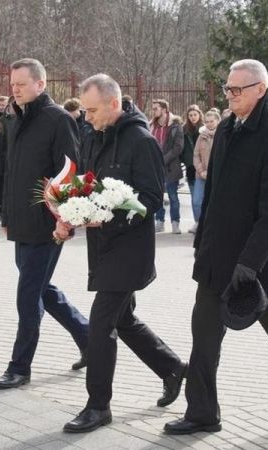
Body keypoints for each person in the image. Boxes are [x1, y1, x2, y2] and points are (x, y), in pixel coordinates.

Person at [164, 59, 268, 436]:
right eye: (227, 89)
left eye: (238, 89)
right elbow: (215, 195)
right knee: (203, 336)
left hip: (262, 264)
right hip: (217, 258)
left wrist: (249, 265)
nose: (230, 95)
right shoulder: (224, 129)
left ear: (260, 89)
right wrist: (201, 242)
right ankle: (202, 412)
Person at [56, 74, 186, 434]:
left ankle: (98, 406)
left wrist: (106, 216)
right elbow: (84, 183)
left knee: (101, 323)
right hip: (102, 246)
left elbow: (150, 199)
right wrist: (69, 213)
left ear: (114, 104)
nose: (88, 117)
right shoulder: (92, 135)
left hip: (129, 249)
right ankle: (172, 367)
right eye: (84, 111)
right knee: (123, 319)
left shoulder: (140, 141)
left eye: (93, 110)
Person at [0, 58, 89, 389]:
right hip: (21, 221)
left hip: (47, 224)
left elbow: (70, 172)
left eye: (21, 84)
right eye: (13, 84)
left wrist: (66, 219)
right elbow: (13, 171)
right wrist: (7, 215)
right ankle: (89, 337)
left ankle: (20, 367)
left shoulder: (58, 120)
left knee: (28, 294)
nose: (15, 89)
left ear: (40, 84)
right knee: (41, 289)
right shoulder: (15, 118)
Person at [150, 99, 184, 234]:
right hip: (155, 168)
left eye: (156, 108)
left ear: (164, 109)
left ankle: (175, 223)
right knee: (158, 196)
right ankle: (160, 222)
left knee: (173, 196)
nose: (153, 111)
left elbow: (178, 147)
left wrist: (162, 160)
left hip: (171, 167)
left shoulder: (175, 126)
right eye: (153, 109)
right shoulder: (152, 125)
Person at [191, 110, 220, 234]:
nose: (209, 124)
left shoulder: (223, 135)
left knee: (215, 203)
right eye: (207, 122)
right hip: (201, 175)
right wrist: (201, 171)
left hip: (217, 175)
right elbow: (196, 155)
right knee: (197, 201)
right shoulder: (201, 136)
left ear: (218, 121)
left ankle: (213, 226)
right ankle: (199, 223)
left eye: (211, 121)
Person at [182, 104, 204, 233]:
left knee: (203, 198)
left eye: (195, 115)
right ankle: (197, 222)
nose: (193, 117)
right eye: (190, 115)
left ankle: (204, 223)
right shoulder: (184, 130)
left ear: (199, 115)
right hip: (191, 168)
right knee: (195, 199)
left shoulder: (205, 129)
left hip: (204, 167)